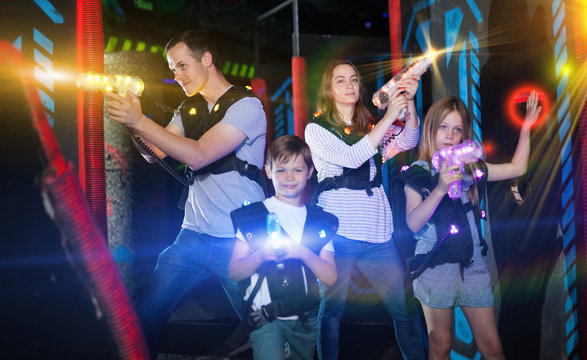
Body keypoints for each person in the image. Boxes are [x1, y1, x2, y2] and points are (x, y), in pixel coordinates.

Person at [105, 30, 267, 358]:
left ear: (206, 59)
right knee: (145, 314)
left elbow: (198, 155)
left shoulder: (247, 106)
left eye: (182, 65)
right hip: (193, 235)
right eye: (172, 68)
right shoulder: (189, 108)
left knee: (263, 324)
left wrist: (140, 120)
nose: (176, 75)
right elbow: (155, 153)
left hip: (240, 239)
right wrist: (134, 123)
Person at [403, 92, 542, 360]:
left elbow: (517, 167)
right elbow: (412, 223)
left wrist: (526, 126)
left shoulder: (470, 169)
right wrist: (440, 188)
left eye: (457, 130)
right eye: (443, 127)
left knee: (492, 347)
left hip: (471, 266)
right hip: (434, 266)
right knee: (441, 345)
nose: (449, 136)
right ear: (431, 129)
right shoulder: (418, 171)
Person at [304, 59, 427, 360]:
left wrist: (407, 106)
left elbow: (407, 140)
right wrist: (389, 116)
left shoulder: (371, 125)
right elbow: (352, 157)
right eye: (340, 80)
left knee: (404, 310)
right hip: (338, 234)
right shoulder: (316, 129)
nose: (349, 85)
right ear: (329, 89)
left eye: (354, 79)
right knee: (332, 310)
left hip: (378, 234)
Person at [228, 134, 338, 360]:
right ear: (268, 171)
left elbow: (330, 277)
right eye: (281, 170)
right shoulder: (253, 217)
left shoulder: (319, 221)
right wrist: (260, 256)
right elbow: (234, 271)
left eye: (297, 170)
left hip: (305, 320)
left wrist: (303, 253)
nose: (289, 177)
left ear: (309, 172)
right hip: (265, 319)